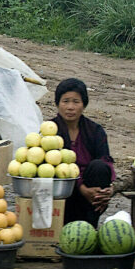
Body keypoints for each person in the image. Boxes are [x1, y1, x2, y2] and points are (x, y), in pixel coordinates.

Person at [49, 78, 116, 227]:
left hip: (91, 194)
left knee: (99, 167)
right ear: (57, 104)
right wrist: (80, 187)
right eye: (65, 101)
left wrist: (110, 188)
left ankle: (90, 227)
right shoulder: (49, 132)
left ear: (84, 105)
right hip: (64, 194)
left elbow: (106, 160)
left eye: (76, 102)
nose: (70, 107)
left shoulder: (95, 130)